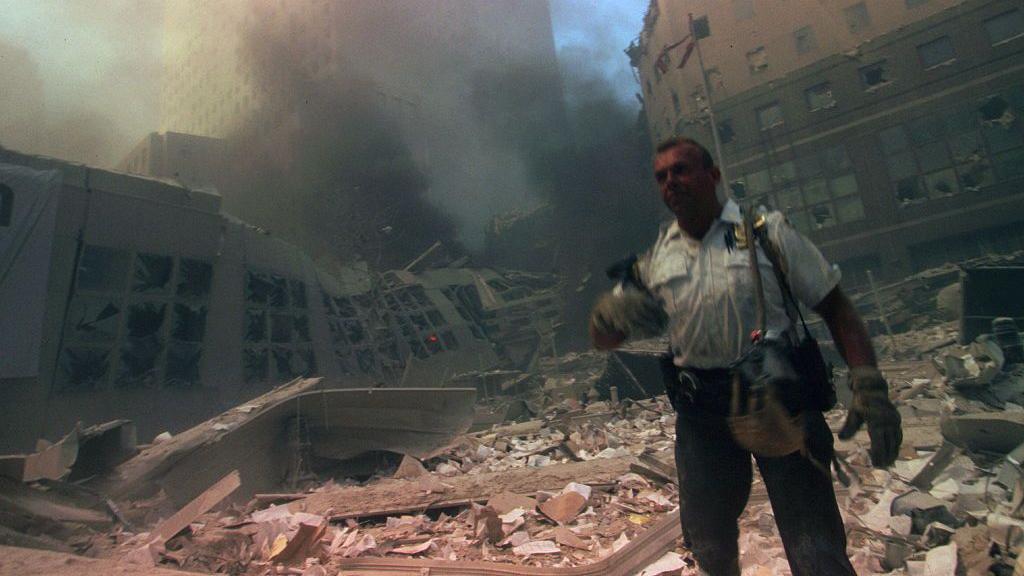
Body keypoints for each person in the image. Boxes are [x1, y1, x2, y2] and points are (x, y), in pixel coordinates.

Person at [589, 136, 902, 576]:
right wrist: (606, 319)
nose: (671, 182)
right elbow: (607, 338)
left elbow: (836, 307)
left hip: (781, 404)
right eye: (661, 176)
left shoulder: (765, 233)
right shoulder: (656, 259)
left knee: (816, 549)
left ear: (713, 175)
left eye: (681, 170)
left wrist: (869, 383)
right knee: (710, 546)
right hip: (702, 417)